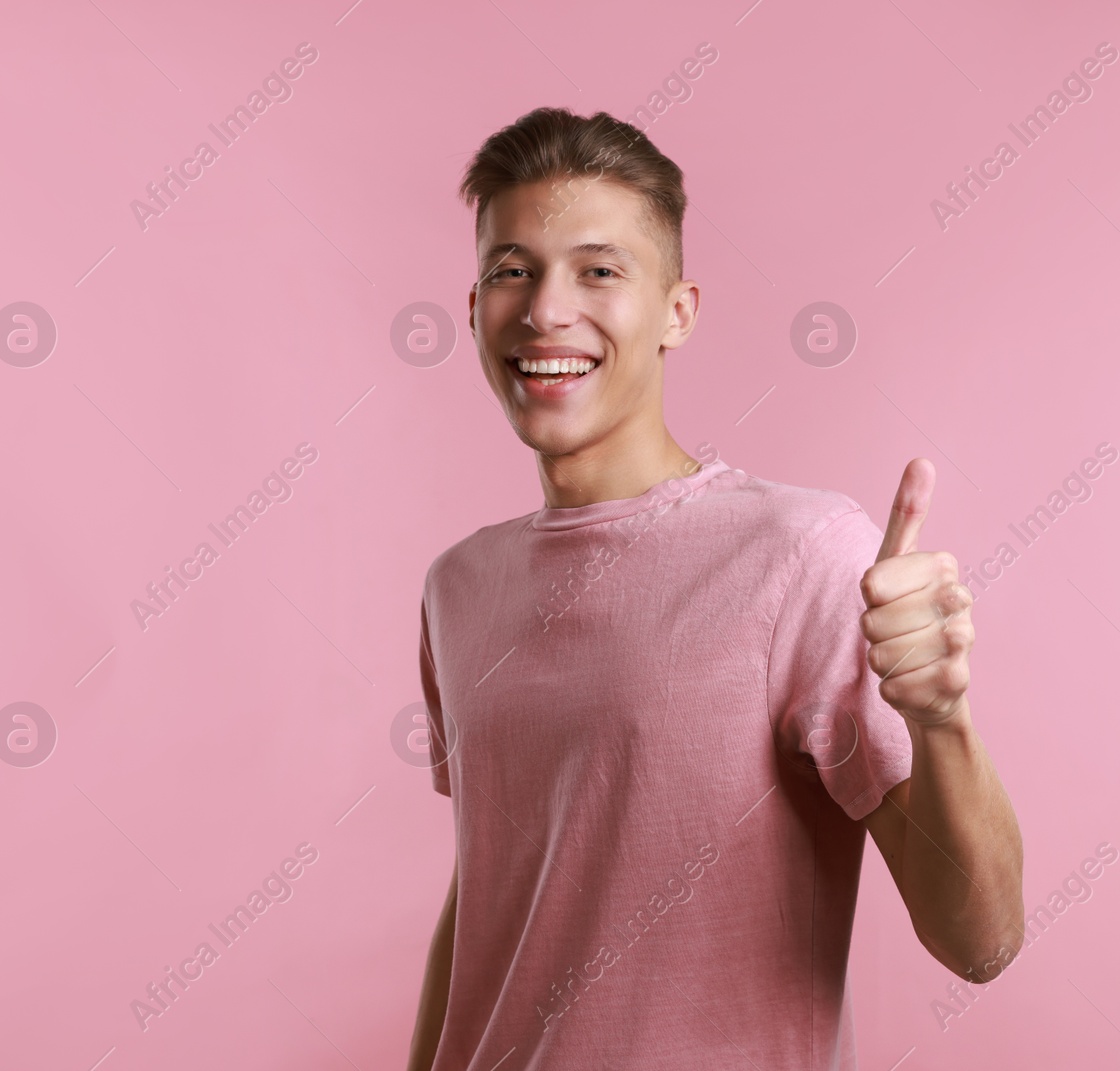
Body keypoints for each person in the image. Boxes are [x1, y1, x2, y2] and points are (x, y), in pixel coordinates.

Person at [407, 106, 1023, 1070]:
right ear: (476, 302)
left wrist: (940, 719)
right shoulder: (457, 586)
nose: (544, 310)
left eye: (599, 270)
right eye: (511, 270)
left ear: (677, 311)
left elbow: (980, 938)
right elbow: (487, 897)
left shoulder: (801, 554)